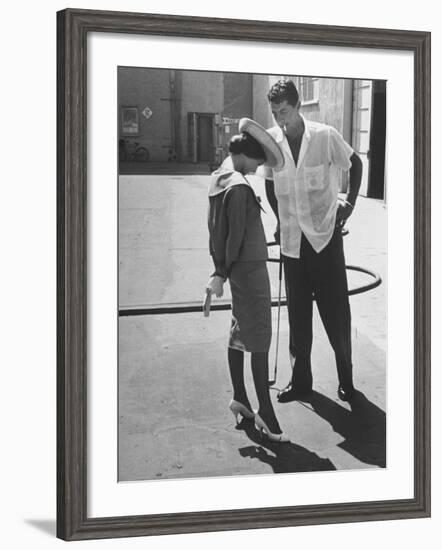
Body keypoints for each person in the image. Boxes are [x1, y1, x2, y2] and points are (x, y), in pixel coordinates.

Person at [263, 79, 363, 403]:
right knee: (299, 318)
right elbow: (268, 183)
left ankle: (347, 380)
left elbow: (355, 163)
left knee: (336, 315)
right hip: (292, 243)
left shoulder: (324, 136)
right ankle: (301, 381)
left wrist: (350, 202)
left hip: (325, 239)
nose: (281, 120)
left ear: (298, 106)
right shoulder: (272, 142)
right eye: (275, 113)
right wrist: (279, 220)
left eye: (285, 112)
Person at [206, 118, 289, 443]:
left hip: (239, 269)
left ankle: (240, 397)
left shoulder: (220, 178)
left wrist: (219, 270)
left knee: (239, 333)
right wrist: (220, 273)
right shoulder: (239, 185)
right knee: (259, 340)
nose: (258, 169)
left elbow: (217, 233)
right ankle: (265, 414)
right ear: (245, 157)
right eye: (257, 162)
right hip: (250, 272)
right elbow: (235, 235)